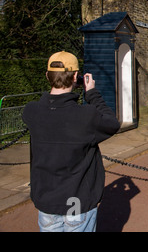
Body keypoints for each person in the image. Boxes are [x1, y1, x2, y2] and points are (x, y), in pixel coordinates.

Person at [22, 51, 120, 232]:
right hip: (76, 201)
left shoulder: (31, 112)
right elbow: (112, 123)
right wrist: (91, 93)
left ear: (47, 76)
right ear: (76, 76)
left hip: (47, 201)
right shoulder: (86, 116)